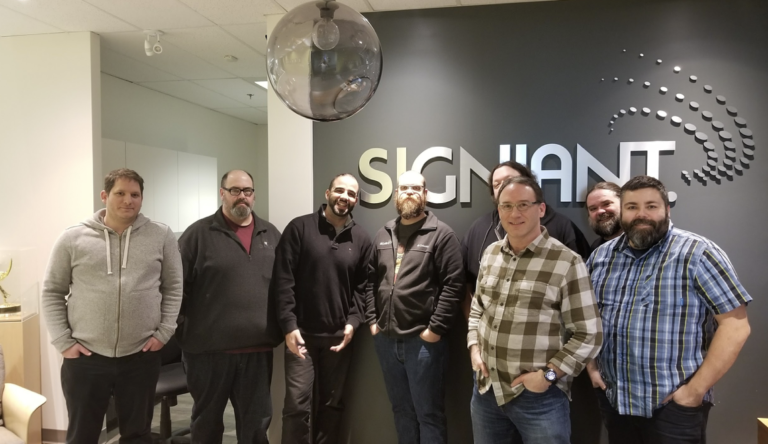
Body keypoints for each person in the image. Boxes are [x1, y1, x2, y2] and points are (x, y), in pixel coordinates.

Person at [586, 175, 751, 444]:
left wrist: (694, 392)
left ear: (667, 209)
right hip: (617, 403)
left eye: (651, 206)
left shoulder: (698, 253)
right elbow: (587, 319)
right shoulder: (601, 257)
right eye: (632, 207)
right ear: (622, 212)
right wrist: (591, 368)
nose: (641, 214)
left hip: (673, 408)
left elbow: (736, 325)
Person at [461, 161, 598, 444]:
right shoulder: (490, 254)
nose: (515, 213)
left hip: (539, 399)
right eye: (507, 206)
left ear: (541, 208)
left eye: (523, 204)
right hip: (487, 391)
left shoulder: (567, 262)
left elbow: (589, 333)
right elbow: (478, 308)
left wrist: (548, 375)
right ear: (498, 211)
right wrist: (474, 347)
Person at [42, 168, 182, 444]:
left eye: (135, 194)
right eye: (120, 193)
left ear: (142, 198)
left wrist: (164, 332)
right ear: (105, 195)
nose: (128, 200)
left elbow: (174, 286)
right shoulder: (73, 238)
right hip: (86, 358)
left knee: (138, 434)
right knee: (82, 435)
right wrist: (63, 341)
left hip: (140, 357)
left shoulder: (161, 235)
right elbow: (52, 291)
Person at [177, 169, 282, 444]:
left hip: (257, 352)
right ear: (222, 193)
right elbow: (175, 289)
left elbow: (284, 286)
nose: (241, 197)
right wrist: (181, 329)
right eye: (235, 190)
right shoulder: (198, 235)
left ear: (254, 195)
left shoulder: (270, 233)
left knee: (256, 427)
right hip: (208, 353)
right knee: (207, 425)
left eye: (247, 191)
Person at [272, 173, 373, 444]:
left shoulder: (362, 239)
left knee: (332, 405)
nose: (345, 197)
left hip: (339, 338)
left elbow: (363, 288)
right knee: (297, 407)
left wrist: (353, 322)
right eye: (340, 191)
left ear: (356, 200)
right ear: (327, 194)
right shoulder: (300, 228)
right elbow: (283, 281)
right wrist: (288, 326)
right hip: (301, 337)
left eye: (352, 194)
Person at [365, 171, 464, 444]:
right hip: (385, 340)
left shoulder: (441, 234)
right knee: (401, 412)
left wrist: (435, 330)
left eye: (416, 188)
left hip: (423, 344)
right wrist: (372, 321)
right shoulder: (384, 233)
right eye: (404, 188)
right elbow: (368, 281)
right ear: (396, 194)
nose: (409, 192)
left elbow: (454, 286)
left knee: (429, 415)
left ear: (425, 194)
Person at [585, 181, 622, 249]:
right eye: (593, 208)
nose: (600, 211)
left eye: (606, 204)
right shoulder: (596, 248)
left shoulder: (640, 243)